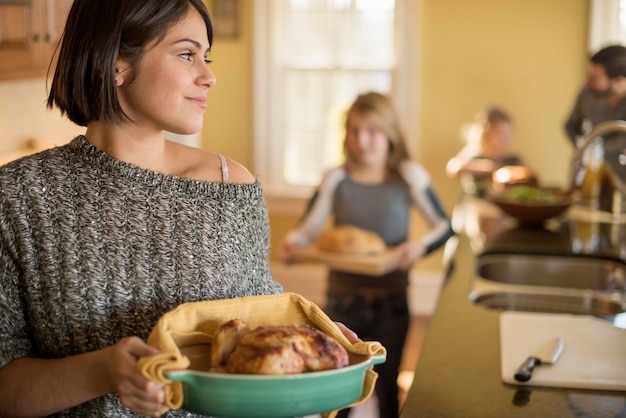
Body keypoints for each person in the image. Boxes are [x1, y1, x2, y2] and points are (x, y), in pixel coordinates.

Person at [0, 1, 289, 417]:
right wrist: (102, 371)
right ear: (117, 62)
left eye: (205, 57)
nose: (209, 76)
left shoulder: (232, 188)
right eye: (187, 54)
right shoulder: (18, 199)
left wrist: (316, 335)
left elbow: (259, 322)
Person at [279, 92, 454, 418]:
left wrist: (420, 247)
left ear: (389, 133)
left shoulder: (407, 175)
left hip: (393, 301)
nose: (362, 141)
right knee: (341, 386)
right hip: (344, 302)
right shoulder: (337, 178)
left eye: (372, 131)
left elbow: (445, 226)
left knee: (388, 386)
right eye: (355, 130)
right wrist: (293, 242)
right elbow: (307, 230)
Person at [446, 106, 532, 196]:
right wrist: (490, 168)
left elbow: (530, 175)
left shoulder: (512, 160)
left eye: (508, 136)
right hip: (474, 206)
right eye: (499, 134)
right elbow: (454, 168)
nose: (504, 140)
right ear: (485, 134)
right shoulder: (472, 155)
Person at [564, 44, 626, 146]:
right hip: (589, 158)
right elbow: (570, 126)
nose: (587, 81)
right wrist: (582, 145)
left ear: (619, 81)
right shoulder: (587, 94)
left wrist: (600, 150)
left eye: (594, 78)